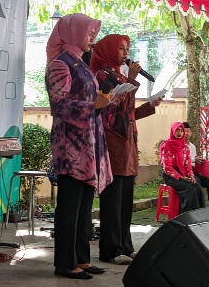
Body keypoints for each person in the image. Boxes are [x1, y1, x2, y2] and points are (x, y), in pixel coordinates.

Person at [45, 13, 112, 280]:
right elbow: (58, 105)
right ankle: (64, 262)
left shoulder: (81, 64)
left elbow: (91, 100)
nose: (92, 37)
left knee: (84, 208)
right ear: (73, 33)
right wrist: (92, 106)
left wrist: (106, 102)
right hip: (70, 147)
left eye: (94, 33)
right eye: (89, 32)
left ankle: (82, 259)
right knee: (69, 208)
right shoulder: (60, 64)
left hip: (88, 143)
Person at [89, 34, 161, 266]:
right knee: (113, 198)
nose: (125, 53)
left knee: (126, 198)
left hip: (128, 142)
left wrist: (149, 106)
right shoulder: (103, 75)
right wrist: (131, 80)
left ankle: (125, 245)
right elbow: (111, 110)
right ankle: (110, 249)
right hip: (112, 141)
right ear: (109, 50)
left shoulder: (120, 75)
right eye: (120, 48)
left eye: (126, 48)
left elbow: (128, 113)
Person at [160, 122, 204, 213]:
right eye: (177, 130)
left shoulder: (185, 147)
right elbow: (167, 167)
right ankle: (187, 215)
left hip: (183, 172)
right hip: (171, 176)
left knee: (197, 186)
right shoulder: (166, 146)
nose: (180, 133)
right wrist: (180, 177)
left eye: (181, 130)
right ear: (172, 131)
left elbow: (187, 164)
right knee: (189, 188)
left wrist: (191, 175)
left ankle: (199, 213)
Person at [182, 122, 209, 206]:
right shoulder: (179, 146)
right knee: (198, 182)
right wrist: (194, 159)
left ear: (191, 133)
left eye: (188, 131)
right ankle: (199, 206)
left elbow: (194, 161)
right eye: (184, 131)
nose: (186, 134)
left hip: (193, 171)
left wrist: (200, 161)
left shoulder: (192, 146)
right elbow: (182, 160)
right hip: (184, 171)